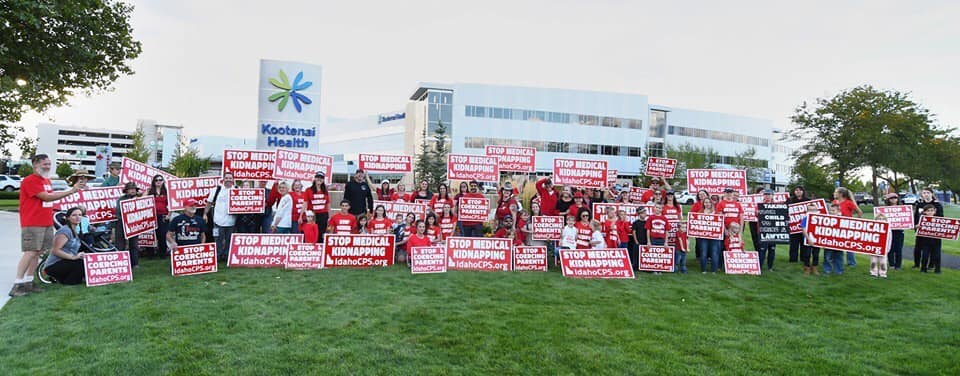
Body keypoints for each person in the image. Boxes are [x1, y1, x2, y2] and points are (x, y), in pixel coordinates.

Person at [12, 155, 88, 296]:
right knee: (30, 252)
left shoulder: (46, 180)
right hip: (33, 222)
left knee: (38, 253)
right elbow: (46, 197)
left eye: (49, 164)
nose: (48, 166)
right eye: (45, 164)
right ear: (35, 165)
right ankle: (17, 284)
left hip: (45, 222)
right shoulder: (30, 180)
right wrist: (71, 191)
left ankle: (29, 282)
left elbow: (51, 199)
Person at [42, 207, 87, 285]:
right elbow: (55, 250)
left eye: (80, 215)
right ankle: (69, 282)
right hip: (53, 265)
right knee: (80, 263)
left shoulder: (76, 230)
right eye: (74, 215)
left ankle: (62, 279)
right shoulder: (64, 231)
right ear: (68, 218)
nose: (78, 217)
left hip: (65, 262)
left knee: (85, 261)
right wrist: (73, 257)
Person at [206, 172, 236, 261]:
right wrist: (205, 214)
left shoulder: (237, 190)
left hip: (232, 221)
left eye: (230, 178)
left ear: (233, 180)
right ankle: (218, 256)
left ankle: (226, 256)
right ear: (223, 179)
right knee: (218, 239)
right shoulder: (216, 189)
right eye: (226, 178)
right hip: (218, 220)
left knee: (229, 240)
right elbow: (209, 202)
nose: (228, 180)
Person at [912, 187, 943, 269]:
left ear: (932, 194)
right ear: (922, 194)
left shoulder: (937, 205)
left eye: (928, 193)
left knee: (933, 249)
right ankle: (917, 264)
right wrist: (915, 226)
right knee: (918, 248)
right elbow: (916, 217)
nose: (926, 194)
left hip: (933, 231)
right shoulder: (919, 204)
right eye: (924, 193)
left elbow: (941, 218)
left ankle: (931, 265)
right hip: (920, 230)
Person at [833, 187, 863, 267]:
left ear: (841, 194)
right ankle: (837, 261)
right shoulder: (834, 202)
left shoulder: (848, 202)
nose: (834, 193)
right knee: (837, 245)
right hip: (837, 226)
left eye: (835, 192)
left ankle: (851, 263)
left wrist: (854, 221)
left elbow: (860, 212)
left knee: (849, 245)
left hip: (847, 226)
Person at [115, 182, 142, 268]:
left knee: (134, 244)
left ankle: (135, 263)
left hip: (134, 224)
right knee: (120, 244)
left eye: (134, 189)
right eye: (130, 189)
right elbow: (118, 212)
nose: (133, 190)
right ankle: (121, 263)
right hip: (121, 223)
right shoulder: (121, 199)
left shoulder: (139, 198)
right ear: (126, 191)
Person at [786, 185, 811, 263]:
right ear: (794, 192)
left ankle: (803, 259)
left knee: (804, 244)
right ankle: (793, 260)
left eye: (800, 190)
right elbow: (785, 210)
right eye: (796, 190)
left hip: (805, 227)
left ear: (803, 191)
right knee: (793, 244)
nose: (798, 191)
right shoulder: (790, 200)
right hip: (793, 227)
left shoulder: (808, 201)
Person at [696, 199, 722, 274]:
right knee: (703, 253)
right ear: (703, 204)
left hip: (715, 237)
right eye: (706, 202)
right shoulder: (700, 212)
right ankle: (703, 270)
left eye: (709, 202)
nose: (707, 204)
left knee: (714, 253)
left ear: (711, 203)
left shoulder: (716, 213)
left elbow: (720, 223)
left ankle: (713, 270)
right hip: (703, 237)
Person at [754, 189, 777, 272]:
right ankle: (759, 267)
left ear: (772, 196)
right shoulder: (759, 205)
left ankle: (770, 267)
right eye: (766, 194)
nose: (767, 196)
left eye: (769, 194)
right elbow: (756, 214)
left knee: (772, 249)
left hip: (774, 231)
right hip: (762, 230)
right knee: (762, 249)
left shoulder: (777, 205)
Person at [303, 171, 330, 243]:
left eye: (321, 178)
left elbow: (328, 204)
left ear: (323, 180)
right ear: (315, 178)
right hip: (313, 214)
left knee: (321, 232)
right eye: (318, 177)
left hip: (323, 214)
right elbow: (305, 203)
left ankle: (319, 247)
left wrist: (329, 217)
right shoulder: (308, 190)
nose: (319, 179)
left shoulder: (325, 190)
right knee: (311, 232)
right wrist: (301, 215)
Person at [148, 174, 170, 258]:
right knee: (152, 235)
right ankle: (150, 254)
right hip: (151, 216)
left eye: (160, 180)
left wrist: (169, 215)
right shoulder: (150, 191)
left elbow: (171, 204)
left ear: (163, 181)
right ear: (154, 182)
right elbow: (141, 199)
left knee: (162, 235)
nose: (158, 181)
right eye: (156, 180)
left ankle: (163, 253)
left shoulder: (167, 191)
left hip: (163, 215)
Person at [916, 204, 942, 274]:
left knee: (937, 255)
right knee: (925, 255)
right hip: (925, 241)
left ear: (935, 211)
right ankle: (923, 269)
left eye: (931, 211)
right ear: (924, 212)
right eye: (928, 211)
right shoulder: (922, 219)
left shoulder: (939, 220)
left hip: (936, 241)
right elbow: (914, 227)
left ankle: (937, 270)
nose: (930, 212)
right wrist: (917, 226)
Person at [884, 193, 905, 270]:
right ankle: (891, 264)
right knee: (890, 248)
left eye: (895, 198)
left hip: (899, 231)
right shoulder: (885, 209)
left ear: (897, 199)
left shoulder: (902, 208)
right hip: (889, 231)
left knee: (899, 249)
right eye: (891, 198)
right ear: (888, 200)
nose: (893, 200)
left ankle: (898, 265)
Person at [821, 203, 845, 275]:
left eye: (833, 210)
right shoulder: (826, 220)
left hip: (839, 243)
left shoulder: (843, 220)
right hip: (828, 242)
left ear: (838, 211)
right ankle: (827, 270)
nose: (831, 212)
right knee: (827, 257)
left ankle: (839, 271)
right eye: (830, 210)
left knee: (839, 257)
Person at [799, 203, 821, 275]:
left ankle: (814, 268)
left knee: (816, 254)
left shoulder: (821, 219)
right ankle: (807, 268)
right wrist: (809, 239)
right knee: (807, 254)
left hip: (817, 240)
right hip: (807, 239)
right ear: (807, 211)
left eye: (814, 210)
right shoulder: (805, 219)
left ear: (817, 210)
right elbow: (803, 229)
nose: (812, 211)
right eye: (810, 210)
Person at [871, 214, 890, 278]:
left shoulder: (888, 229)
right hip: (874, 248)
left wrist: (888, 248)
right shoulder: (872, 227)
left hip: (884, 248)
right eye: (879, 219)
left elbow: (889, 239)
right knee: (873, 261)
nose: (881, 220)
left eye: (882, 219)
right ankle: (873, 272)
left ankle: (883, 273)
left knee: (883, 262)